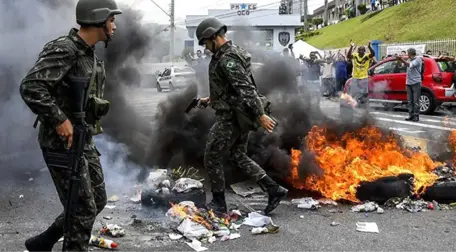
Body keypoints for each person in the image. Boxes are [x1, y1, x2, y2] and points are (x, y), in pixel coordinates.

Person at [19, 0, 122, 251]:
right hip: (61, 142)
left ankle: (46, 240)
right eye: (112, 20)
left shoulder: (89, 54)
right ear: (99, 19)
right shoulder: (65, 49)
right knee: (81, 209)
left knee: (96, 200)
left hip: (82, 139)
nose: (114, 26)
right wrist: (60, 119)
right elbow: (31, 86)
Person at [194, 17, 288, 215]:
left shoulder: (227, 59)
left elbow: (245, 88)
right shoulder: (229, 53)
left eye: (205, 42)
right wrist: (209, 99)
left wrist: (260, 115)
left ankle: (219, 203)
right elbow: (228, 88)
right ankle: (273, 189)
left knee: (212, 155)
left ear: (213, 37)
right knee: (238, 155)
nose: (205, 47)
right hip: (238, 114)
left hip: (231, 116)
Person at [396, 48, 422, 122]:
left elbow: (409, 65)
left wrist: (401, 59)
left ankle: (416, 116)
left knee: (416, 101)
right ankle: (411, 115)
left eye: (408, 53)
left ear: (411, 53)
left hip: (416, 82)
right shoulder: (409, 59)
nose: (407, 54)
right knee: (410, 101)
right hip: (408, 83)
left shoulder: (418, 59)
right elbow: (401, 66)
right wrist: (398, 60)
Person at [346, 40, 375, 106]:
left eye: (362, 50)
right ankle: (353, 103)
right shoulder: (355, 55)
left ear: (364, 51)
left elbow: (373, 54)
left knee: (365, 93)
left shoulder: (366, 56)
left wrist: (369, 47)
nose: (361, 51)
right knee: (354, 92)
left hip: (364, 77)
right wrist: (351, 47)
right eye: (359, 50)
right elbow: (348, 56)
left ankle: (361, 102)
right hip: (355, 77)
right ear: (357, 51)